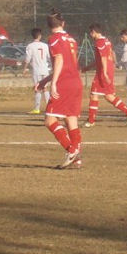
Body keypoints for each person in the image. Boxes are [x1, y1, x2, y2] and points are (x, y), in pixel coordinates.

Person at [42, 12, 84, 169]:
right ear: (63, 23)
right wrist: (44, 80)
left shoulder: (53, 39)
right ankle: (76, 157)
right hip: (75, 81)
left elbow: (59, 60)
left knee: (50, 120)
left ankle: (72, 151)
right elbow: (68, 64)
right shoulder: (72, 40)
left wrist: (53, 83)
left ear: (48, 25)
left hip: (64, 83)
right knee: (70, 119)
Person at [84, 24, 127, 127]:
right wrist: (88, 67)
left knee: (94, 94)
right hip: (107, 70)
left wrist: (105, 73)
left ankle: (91, 120)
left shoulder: (100, 42)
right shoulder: (106, 41)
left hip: (103, 72)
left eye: (91, 32)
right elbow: (103, 57)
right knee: (109, 96)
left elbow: (103, 58)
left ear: (94, 31)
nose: (90, 34)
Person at [22, 28, 50, 114]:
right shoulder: (45, 45)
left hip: (37, 70)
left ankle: (37, 108)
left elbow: (27, 59)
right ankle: (50, 108)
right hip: (45, 70)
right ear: (40, 36)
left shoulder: (30, 46)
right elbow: (49, 57)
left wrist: (24, 69)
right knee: (45, 88)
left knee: (37, 88)